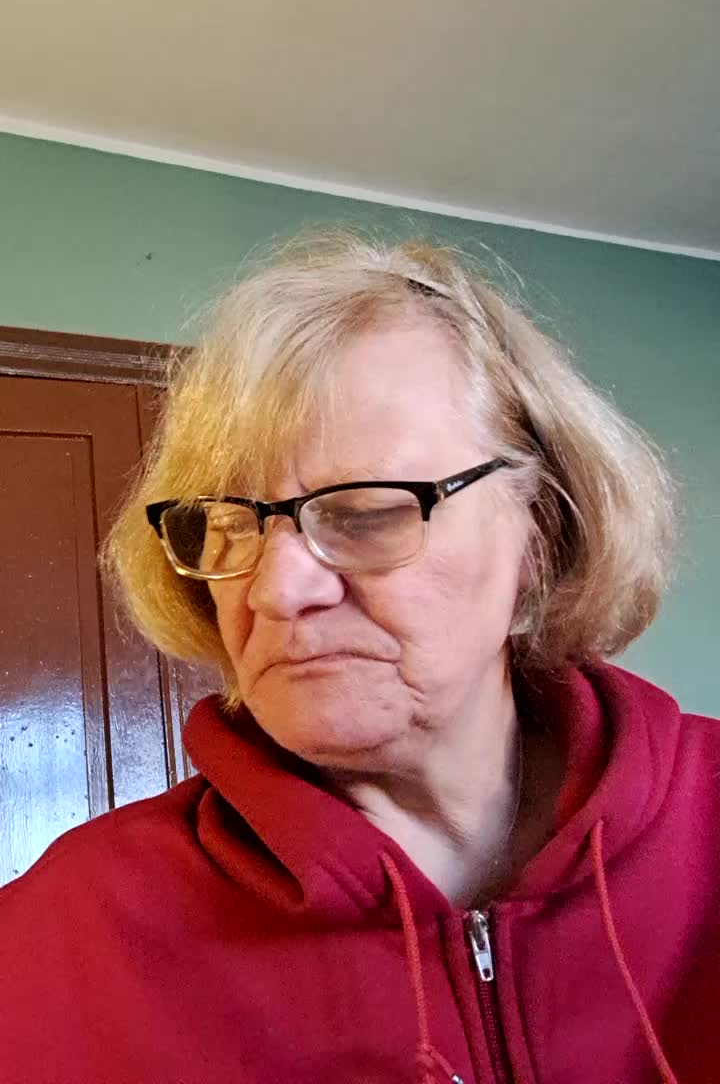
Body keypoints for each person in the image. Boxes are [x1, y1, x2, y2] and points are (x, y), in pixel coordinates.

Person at [1, 230, 717, 1084]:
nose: (276, 591)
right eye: (228, 524)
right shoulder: (57, 940)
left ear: (542, 533)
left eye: (368, 512)